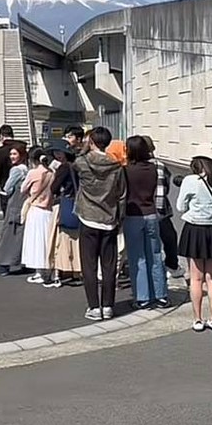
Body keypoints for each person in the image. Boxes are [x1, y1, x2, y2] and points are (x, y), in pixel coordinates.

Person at [74, 127, 126, 322]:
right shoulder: (117, 167)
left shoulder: (83, 162)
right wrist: (120, 218)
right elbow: (122, 195)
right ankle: (108, 305)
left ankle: (94, 306)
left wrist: (85, 148)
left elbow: (77, 160)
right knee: (109, 265)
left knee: (88, 265)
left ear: (92, 142)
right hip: (109, 219)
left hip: (88, 217)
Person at [176, 148, 212, 332]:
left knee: (196, 278)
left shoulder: (191, 181)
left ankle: (198, 319)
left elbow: (180, 206)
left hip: (195, 229)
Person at [123, 136, 170, 309]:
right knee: (155, 255)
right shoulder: (154, 168)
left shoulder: (126, 170)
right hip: (151, 214)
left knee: (138, 258)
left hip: (133, 215)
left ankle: (143, 297)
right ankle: (161, 294)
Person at [142, 135, 185, 282]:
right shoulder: (158, 166)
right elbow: (162, 188)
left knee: (147, 241)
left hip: (139, 210)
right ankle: (171, 266)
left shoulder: (132, 165)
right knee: (169, 238)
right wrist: (159, 208)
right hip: (159, 210)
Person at [47, 141, 83, 289]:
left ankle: (58, 273)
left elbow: (53, 188)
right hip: (77, 204)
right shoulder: (77, 166)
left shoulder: (63, 168)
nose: (56, 155)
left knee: (59, 240)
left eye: (58, 152)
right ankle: (77, 272)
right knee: (76, 241)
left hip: (64, 204)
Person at [0, 143, 28, 277]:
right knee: (20, 236)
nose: (12, 157)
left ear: (21, 155)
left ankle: (2, 265)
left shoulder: (16, 170)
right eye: (11, 154)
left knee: (8, 235)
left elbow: (7, 188)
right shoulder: (26, 169)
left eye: (15, 154)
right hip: (24, 204)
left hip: (14, 205)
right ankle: (22, 262)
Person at [20, 148, 54, 285]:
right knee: (46, 241)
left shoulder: (33, 173)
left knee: (35, 241)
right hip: (48, 209)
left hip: (36, 209)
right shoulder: (51, 173)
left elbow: (23, 189)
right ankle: (47, 270)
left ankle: (39, 272)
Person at [0, 125, 15, 215]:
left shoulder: (0, 151)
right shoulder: (21, 148)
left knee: (6, 214)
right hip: (20, 187)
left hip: (5, 185)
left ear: (1, 136)